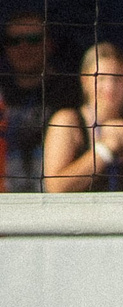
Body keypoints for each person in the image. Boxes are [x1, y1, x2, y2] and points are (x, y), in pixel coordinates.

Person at [43, 41, 123, 192]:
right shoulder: (67, 121)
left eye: (117, 78)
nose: (110, 87)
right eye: (102, 78)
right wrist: (105, 150)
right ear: (85, 80)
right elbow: (55, 186)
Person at [3, 12, 73, 191]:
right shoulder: (2, 95)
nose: (24, 47)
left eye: (33, 39)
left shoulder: (71, 92)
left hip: (54, 202)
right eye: (14, 41)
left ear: (48, 44)